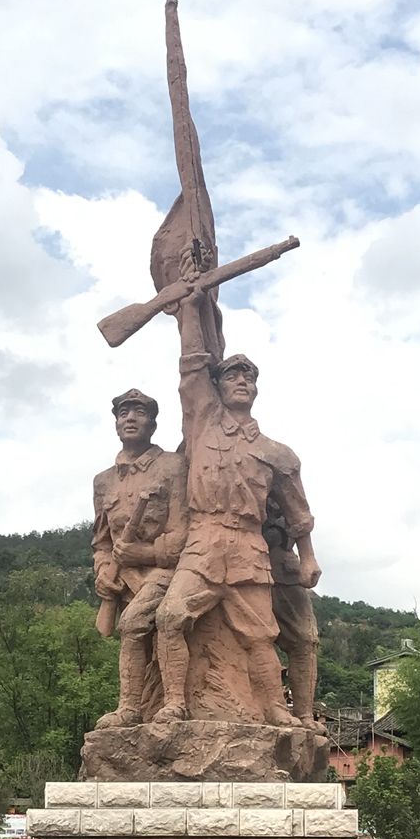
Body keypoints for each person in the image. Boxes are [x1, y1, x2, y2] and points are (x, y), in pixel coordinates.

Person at [155, 288, 321, 726]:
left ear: (257, 389)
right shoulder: (202, 422)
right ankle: (174, 703)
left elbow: (299, 514)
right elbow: (192, 364)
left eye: (248, 378)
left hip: (249, 546)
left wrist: (308, 559)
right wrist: (190, 305)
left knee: (260, 635)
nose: (241, 382)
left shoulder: (277, 454)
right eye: (232, 377)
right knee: (170, 617)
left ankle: (274, 709)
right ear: (219, 386)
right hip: (203, 541)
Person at [92, 388, 187, 728]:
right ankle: (135, 708)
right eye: (123, 413)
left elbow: (183, 532)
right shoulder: (103, 481)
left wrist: (143, 552)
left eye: (139, 413)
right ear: (116, 424)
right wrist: (103, 572)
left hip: (167, 573)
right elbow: (102, 541)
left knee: (134, 624)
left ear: (153, 424)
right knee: (135, 634)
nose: (130, 419)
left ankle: (170, 703)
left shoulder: (173, 466)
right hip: (126, 580)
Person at [264, 501, 322, 730]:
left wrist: (308, 556)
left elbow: (297, 510)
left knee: (305, 640)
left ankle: (304, 714)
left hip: (281, 562)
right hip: (230, 557)